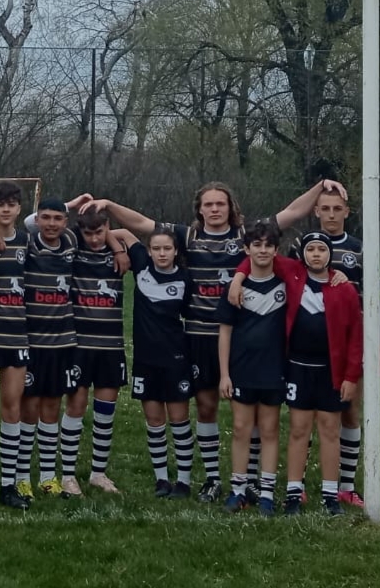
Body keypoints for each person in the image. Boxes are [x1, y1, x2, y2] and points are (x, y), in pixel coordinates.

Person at [93, 178, 338, 503]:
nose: (214, 209)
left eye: (220, 203)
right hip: (199, 337)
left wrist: (320, 187)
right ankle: (212, 478)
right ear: (200, 209)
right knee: (206, 407)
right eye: (208, 204)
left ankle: (250, 479)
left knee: (250, 411)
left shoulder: (246, 235)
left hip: (241, 337)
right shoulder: (187, 237)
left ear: (230, 207)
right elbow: (142, 224)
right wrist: (109, 205)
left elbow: (292, 213)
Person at [246, 232, 363, 516]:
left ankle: (330, 495)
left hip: (331, 371)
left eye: (322, 249)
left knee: (330, 430)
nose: (316, 254)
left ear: (330, 254)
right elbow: (257, 257)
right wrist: (238, 278)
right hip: (298, 367)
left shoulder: (344, 288)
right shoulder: (293, 274)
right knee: (299, 429)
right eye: (311, 249)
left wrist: (350, 376)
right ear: (303, 254)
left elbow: (355, 337)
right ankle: (293, 493)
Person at [305, 184, 380, 508]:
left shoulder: (360, 249)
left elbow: (375, 300)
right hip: (312, 344)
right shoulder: (304, 246)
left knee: (350, 410)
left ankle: (346, 485)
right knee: (308, 415)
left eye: (337, 209)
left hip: (352, 344)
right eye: (325, 209)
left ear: (347, 212)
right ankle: (299, 482)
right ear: (316, 211)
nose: (331, 214)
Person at [214, 217, 290, 516]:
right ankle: (238, 490)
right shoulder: (235, 289)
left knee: (269, 430)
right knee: (241, 429)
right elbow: (225, 333)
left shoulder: (286, 285)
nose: (262, 250)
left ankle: (267, 493)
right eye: (256, 245)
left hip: (273, 370)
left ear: (276, 250)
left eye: (268, 245)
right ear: (246, 249)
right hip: (241, 369)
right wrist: (224, 374)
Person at [121, 225, 194, 498]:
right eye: (156, 248)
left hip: (175, 358)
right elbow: (120, 232)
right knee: (154, 421)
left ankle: (184, 481)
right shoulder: (141, 266)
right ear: (148, 251)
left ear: (176, 251)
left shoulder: (185, 279)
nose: (162, 253)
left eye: (167, 248)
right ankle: (161, 480)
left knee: (179, 420)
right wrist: (119, 251)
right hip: (145, 359)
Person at [20, 196, 82, 498]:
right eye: (45, 218)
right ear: (37, 220)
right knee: (29, 408)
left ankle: (47, 475)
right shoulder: (28, 244)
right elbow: (24, 222)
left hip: (63, 341)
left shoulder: (71, 243)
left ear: (66, 222)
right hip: (32, 341)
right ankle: (21, 475)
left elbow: (108, 232)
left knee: (51, 407)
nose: (52, 224)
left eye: (58, 218)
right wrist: (74, 202)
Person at [65, 207, 129, 495]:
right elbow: (36, 225)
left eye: (99, 232)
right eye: (88, 233)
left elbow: (132, 234)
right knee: (76, 407)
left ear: (107, 227)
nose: (93, 239)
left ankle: (98, 473)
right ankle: (68, 475)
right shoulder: (73, 249)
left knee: (105, 410)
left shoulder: (119, 251)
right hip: (79, 346)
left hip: (110, 346)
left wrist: (116, 245)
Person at [0, 180, 32, 511]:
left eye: (11, 204)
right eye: (0, 204)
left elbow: (53, 218)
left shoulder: (28, 240)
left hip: (17, 336)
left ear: (19, 209)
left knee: (12, 408)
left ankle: (8, 484)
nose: (5, 209)